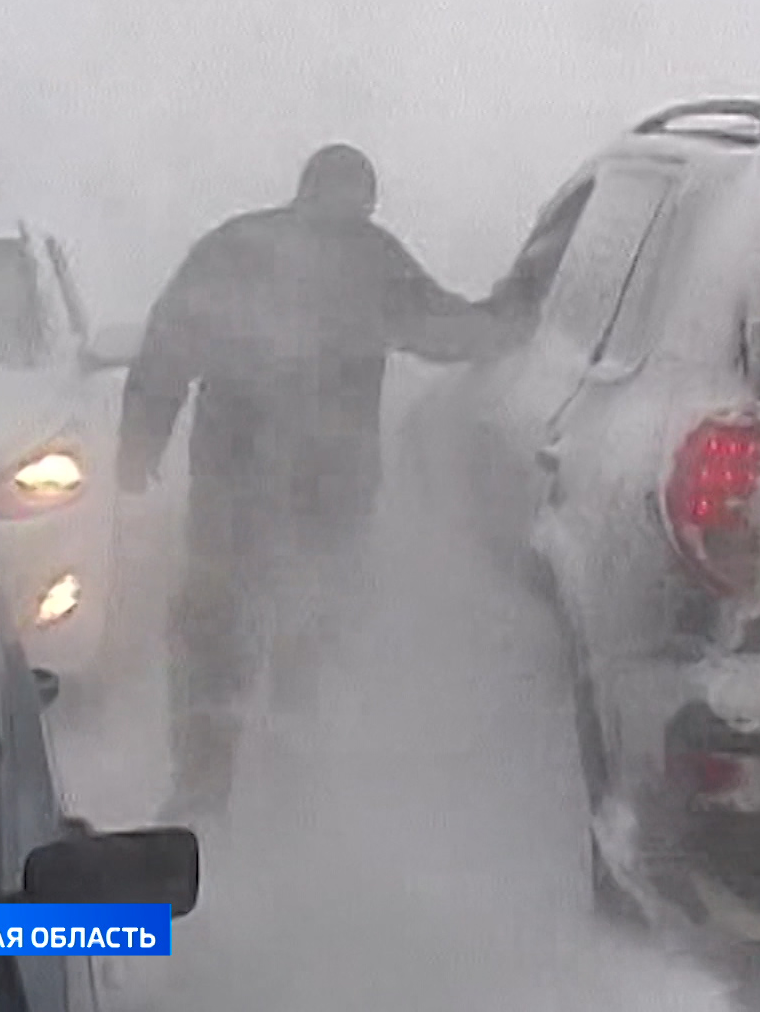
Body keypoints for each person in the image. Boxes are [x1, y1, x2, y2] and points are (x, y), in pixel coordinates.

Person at [117, 143, 527, 822]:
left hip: (239, 487)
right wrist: (520, 321)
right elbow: (451, 331)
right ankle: (279, 784)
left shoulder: (236, 246)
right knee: (299, 633)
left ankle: (206, 782)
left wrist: (142, 440)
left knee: (221, 630)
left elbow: (168, 344)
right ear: (357, 197)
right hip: (323, 495)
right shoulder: (371, 258)